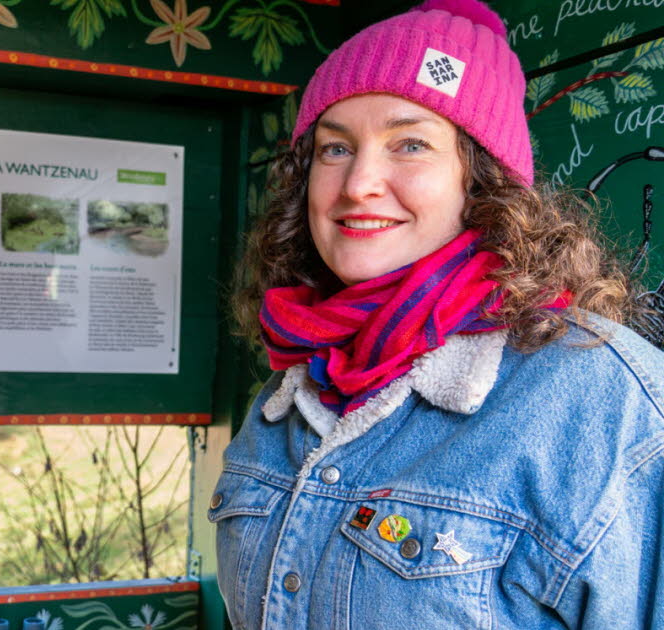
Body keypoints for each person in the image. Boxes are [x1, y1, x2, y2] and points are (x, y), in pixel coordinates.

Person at [211, 0, 664, 627]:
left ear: (482, 183)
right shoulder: (290, 388)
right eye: (335, 148)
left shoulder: (604, 398)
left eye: (411, 144)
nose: (358, 183)